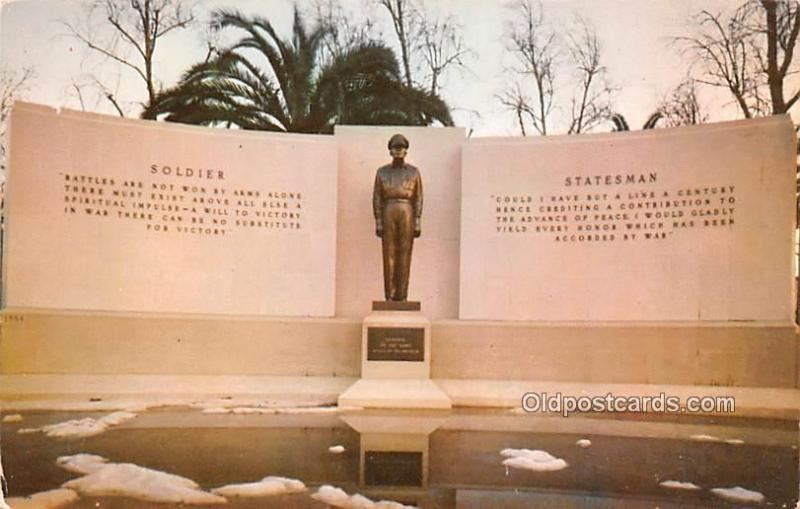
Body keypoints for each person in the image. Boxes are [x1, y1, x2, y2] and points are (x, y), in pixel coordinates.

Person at [373, 134, 423, 302]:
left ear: (406, 151)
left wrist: (417, 220)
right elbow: (377, 198)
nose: (398, 151)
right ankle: (389, 295)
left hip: (406, 210)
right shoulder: (382, 172)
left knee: (405, 252)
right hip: (389, 209)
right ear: (390, 151)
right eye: (395, 148)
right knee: (389, 253)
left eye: (401, 148)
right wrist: (378, 221)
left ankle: (402, 296)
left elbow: (419, 198)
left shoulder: (414, 172)